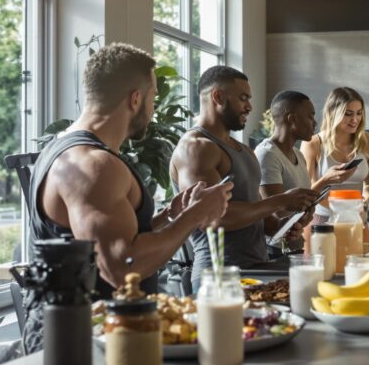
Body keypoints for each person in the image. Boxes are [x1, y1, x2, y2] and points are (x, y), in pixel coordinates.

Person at [24, 43, 233, 353]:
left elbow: (96, 242)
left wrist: (171, 216)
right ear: (136, 98)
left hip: (97, 333)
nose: (152, 108)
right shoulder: (93, 165)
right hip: (82, 341)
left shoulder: (67, 149)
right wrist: (194, 217)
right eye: (152, 98)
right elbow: (122, 266)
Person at [170, 66, 318, 291]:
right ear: (218, 97)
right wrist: (281, 201)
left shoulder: (244, 151)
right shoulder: (196, 148)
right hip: (219, 276)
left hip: (257, 268)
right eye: (243, 98)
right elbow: (213, 217)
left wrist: (286, 225)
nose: (249, 106)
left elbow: (262, 220)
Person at [301, 87, 369, 241]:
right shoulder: (313, 143)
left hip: (357, 219)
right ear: (332, 113)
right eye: (348, 114)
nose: (355, 119)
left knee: (364, 264)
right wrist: (341, 210)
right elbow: (307, 188)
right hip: (322, 221)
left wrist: (364, 202)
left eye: (359, 113)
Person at [255, 91, 316, 251]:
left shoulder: (299, 155)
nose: (315, 123)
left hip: (294, 247)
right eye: (310, 117)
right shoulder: (267, 155)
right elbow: (276, 211)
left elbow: (299, 210)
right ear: (292, 119)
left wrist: (307, 213)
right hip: (274, 251)